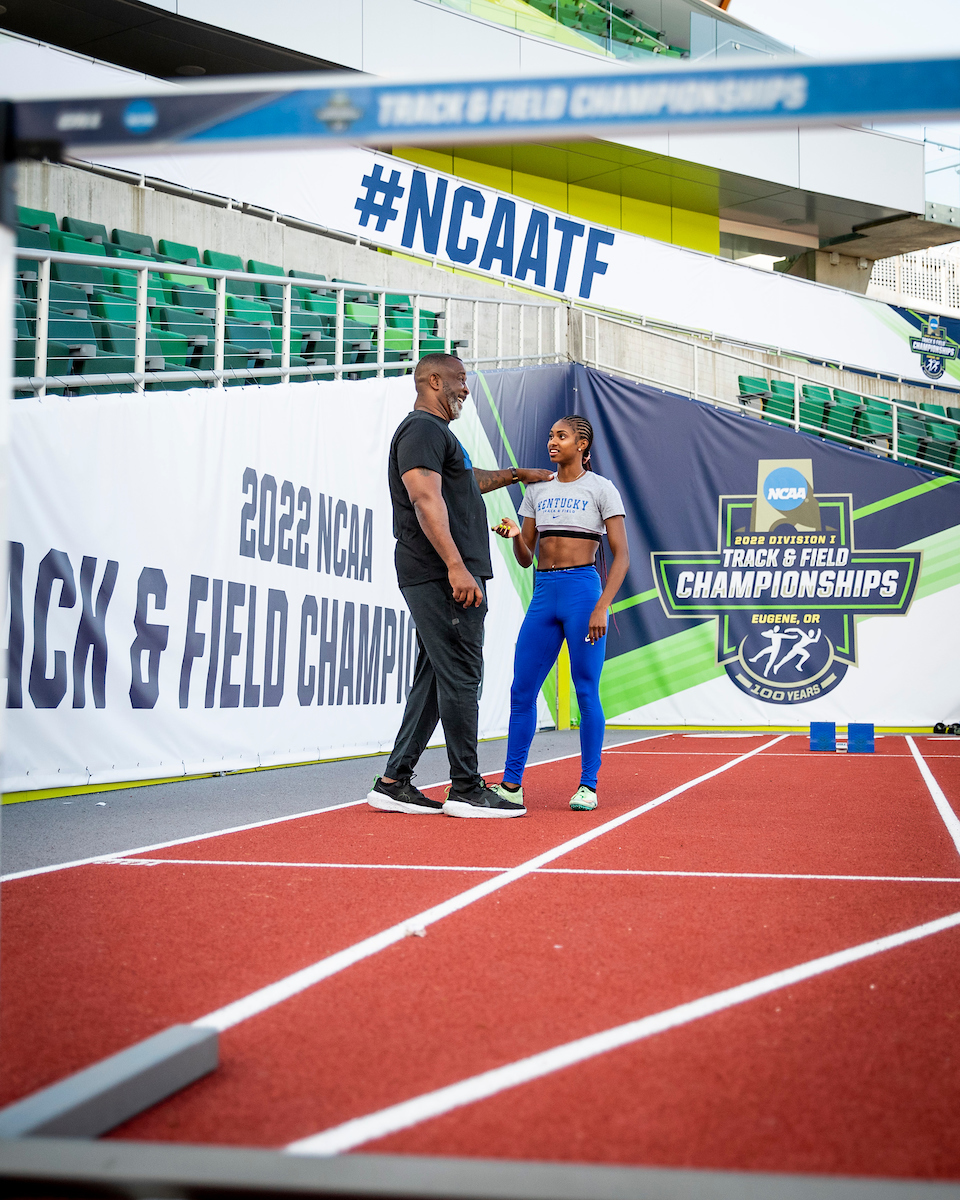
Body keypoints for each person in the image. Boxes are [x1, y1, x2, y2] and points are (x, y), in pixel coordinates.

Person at [367, 353, 553, 818]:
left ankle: (394, 782)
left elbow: (463, 483)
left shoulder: (437, 436)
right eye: (460, 381)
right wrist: (455, 565)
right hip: (441, 574)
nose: (466, 390)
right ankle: (467, 788)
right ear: (434, 381)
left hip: (439, 572)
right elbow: (426, 500)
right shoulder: (423, 430)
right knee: (463, 674)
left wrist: (517, 475)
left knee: (436, 677)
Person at [488, 415, 629, 811]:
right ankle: (511, 785)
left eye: (562, 436)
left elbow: (622, 556)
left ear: (582, 444)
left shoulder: (602, 489)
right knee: (522, 690)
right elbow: (525, 557)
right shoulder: (536, 488)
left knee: (586, 690)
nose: (553, 442)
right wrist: (517, 537)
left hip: (583, 594)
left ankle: (588, 785)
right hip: (544, 592)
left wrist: (602, 605)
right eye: (550, 435)